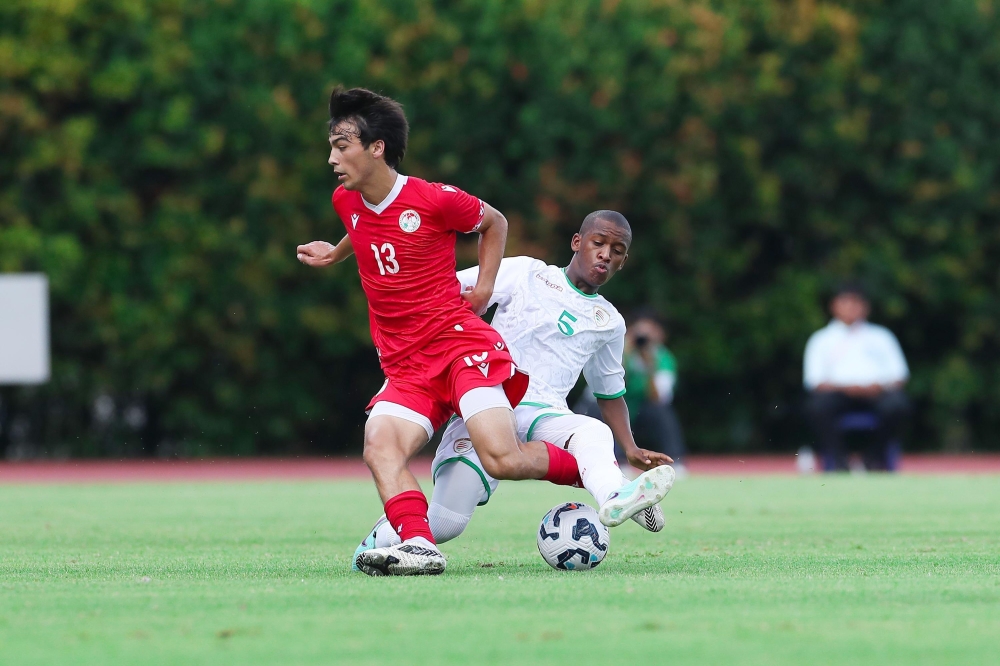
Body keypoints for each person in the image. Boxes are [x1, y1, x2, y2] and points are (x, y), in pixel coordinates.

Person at [296, 88, 657, 576]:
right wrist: (335, 253)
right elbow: (364, 226)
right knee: (379, 448)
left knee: (502, 458)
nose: (332, 158)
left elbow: (494, 222)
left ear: (376, 147)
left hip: (461, 348)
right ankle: (420, 546)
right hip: (405, 364)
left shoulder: (432, 198)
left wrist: (484, 288)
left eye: (342, 146)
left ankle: (609, 485)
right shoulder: (345, 200)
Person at [353, 211, 676, 559]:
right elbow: (450, 290)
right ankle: (374, 546)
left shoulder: (610, 322)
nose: (605, 254)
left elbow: (609, 393)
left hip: (544, 413)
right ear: (577, 242)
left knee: (593, 431)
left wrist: (630, 447)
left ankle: (614, 495)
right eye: (598, 243)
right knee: (446, 523)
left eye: (617, 250)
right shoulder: (526, 272)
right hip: (487, 401)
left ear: (623, 262)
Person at [803, 283, 910, 471]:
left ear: (866, 307)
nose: (851, 307)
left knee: (897, 404)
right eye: (846, 302)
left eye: (856, 302)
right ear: (834, 306)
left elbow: (899, 376)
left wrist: (875, 387)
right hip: (837, 394)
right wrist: (848, 388)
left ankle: (875, 459)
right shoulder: (821, 339)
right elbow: (814, 381)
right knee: (817, 406)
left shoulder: (882, 336)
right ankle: (838, 461)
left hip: (876, 393)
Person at [622, 313, 688, 472]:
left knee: (662, 411)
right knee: (602, 409)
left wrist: (649, 366)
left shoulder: (663, 358)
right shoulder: (620, 354)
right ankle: (616, 460)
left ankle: (675, 459)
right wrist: (624, 354)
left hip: (645, 411)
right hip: (622, 408)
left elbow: (659, 397)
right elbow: (606, 388)